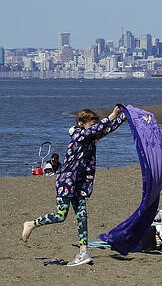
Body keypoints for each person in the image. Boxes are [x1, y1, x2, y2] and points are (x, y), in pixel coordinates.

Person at [21, 106, 125, 266]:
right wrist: (111, 115)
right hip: (66, 181)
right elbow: (97, 129)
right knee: (61, 215)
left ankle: (83, 252)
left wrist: (124, 117)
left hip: (80, 183)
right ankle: (30, 224)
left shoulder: (90, 137)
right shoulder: (78, 134)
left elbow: (105, 129)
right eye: (92, 123)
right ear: (82, 123)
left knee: (82, 216)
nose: (94, 126)